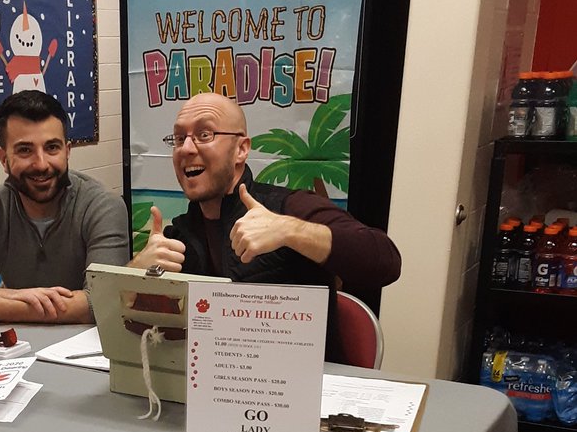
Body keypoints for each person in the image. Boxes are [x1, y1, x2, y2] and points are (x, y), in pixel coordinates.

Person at [129, 92, 401, 361]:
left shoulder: (288, 207)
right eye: (179, 138)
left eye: (204, 135)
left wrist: (290, 231)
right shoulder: (178, 235)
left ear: (241, 149)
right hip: (216, 387)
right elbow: (129, 327)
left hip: (299, 391)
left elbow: (385, 260)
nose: (186, 148)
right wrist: (136, 272)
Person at [0, 91, 129, 324]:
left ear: (67, 151)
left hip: (84, 349)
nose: (41, 164)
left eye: (52, 148)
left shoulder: (102, 206)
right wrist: (9, 297)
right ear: (3, 159)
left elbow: (100, 303)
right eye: (25, 150)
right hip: (13, 349)